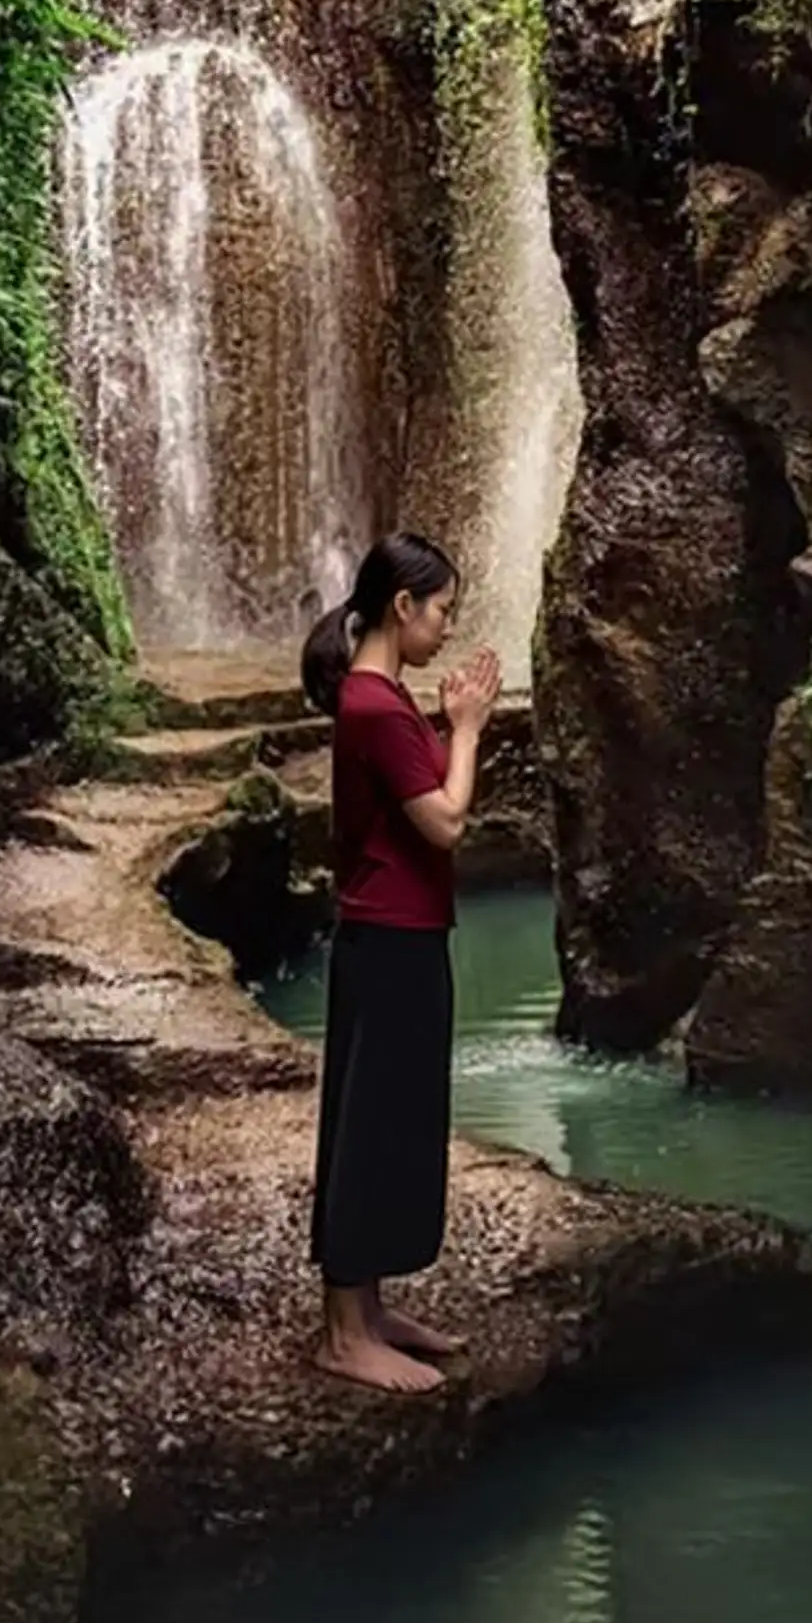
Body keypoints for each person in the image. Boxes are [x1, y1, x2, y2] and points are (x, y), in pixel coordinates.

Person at [298, 531, 502, 1395]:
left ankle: (369, 1310)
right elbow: (446, 822)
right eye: (443, 608)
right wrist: (468, 727)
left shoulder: (379, 698)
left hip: (396, 934)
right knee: (371, 1123)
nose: (448, 627)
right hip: (389, 939)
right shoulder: (379, 709)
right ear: (402, 606)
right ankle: (343, 1334)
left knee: (387, 1118)